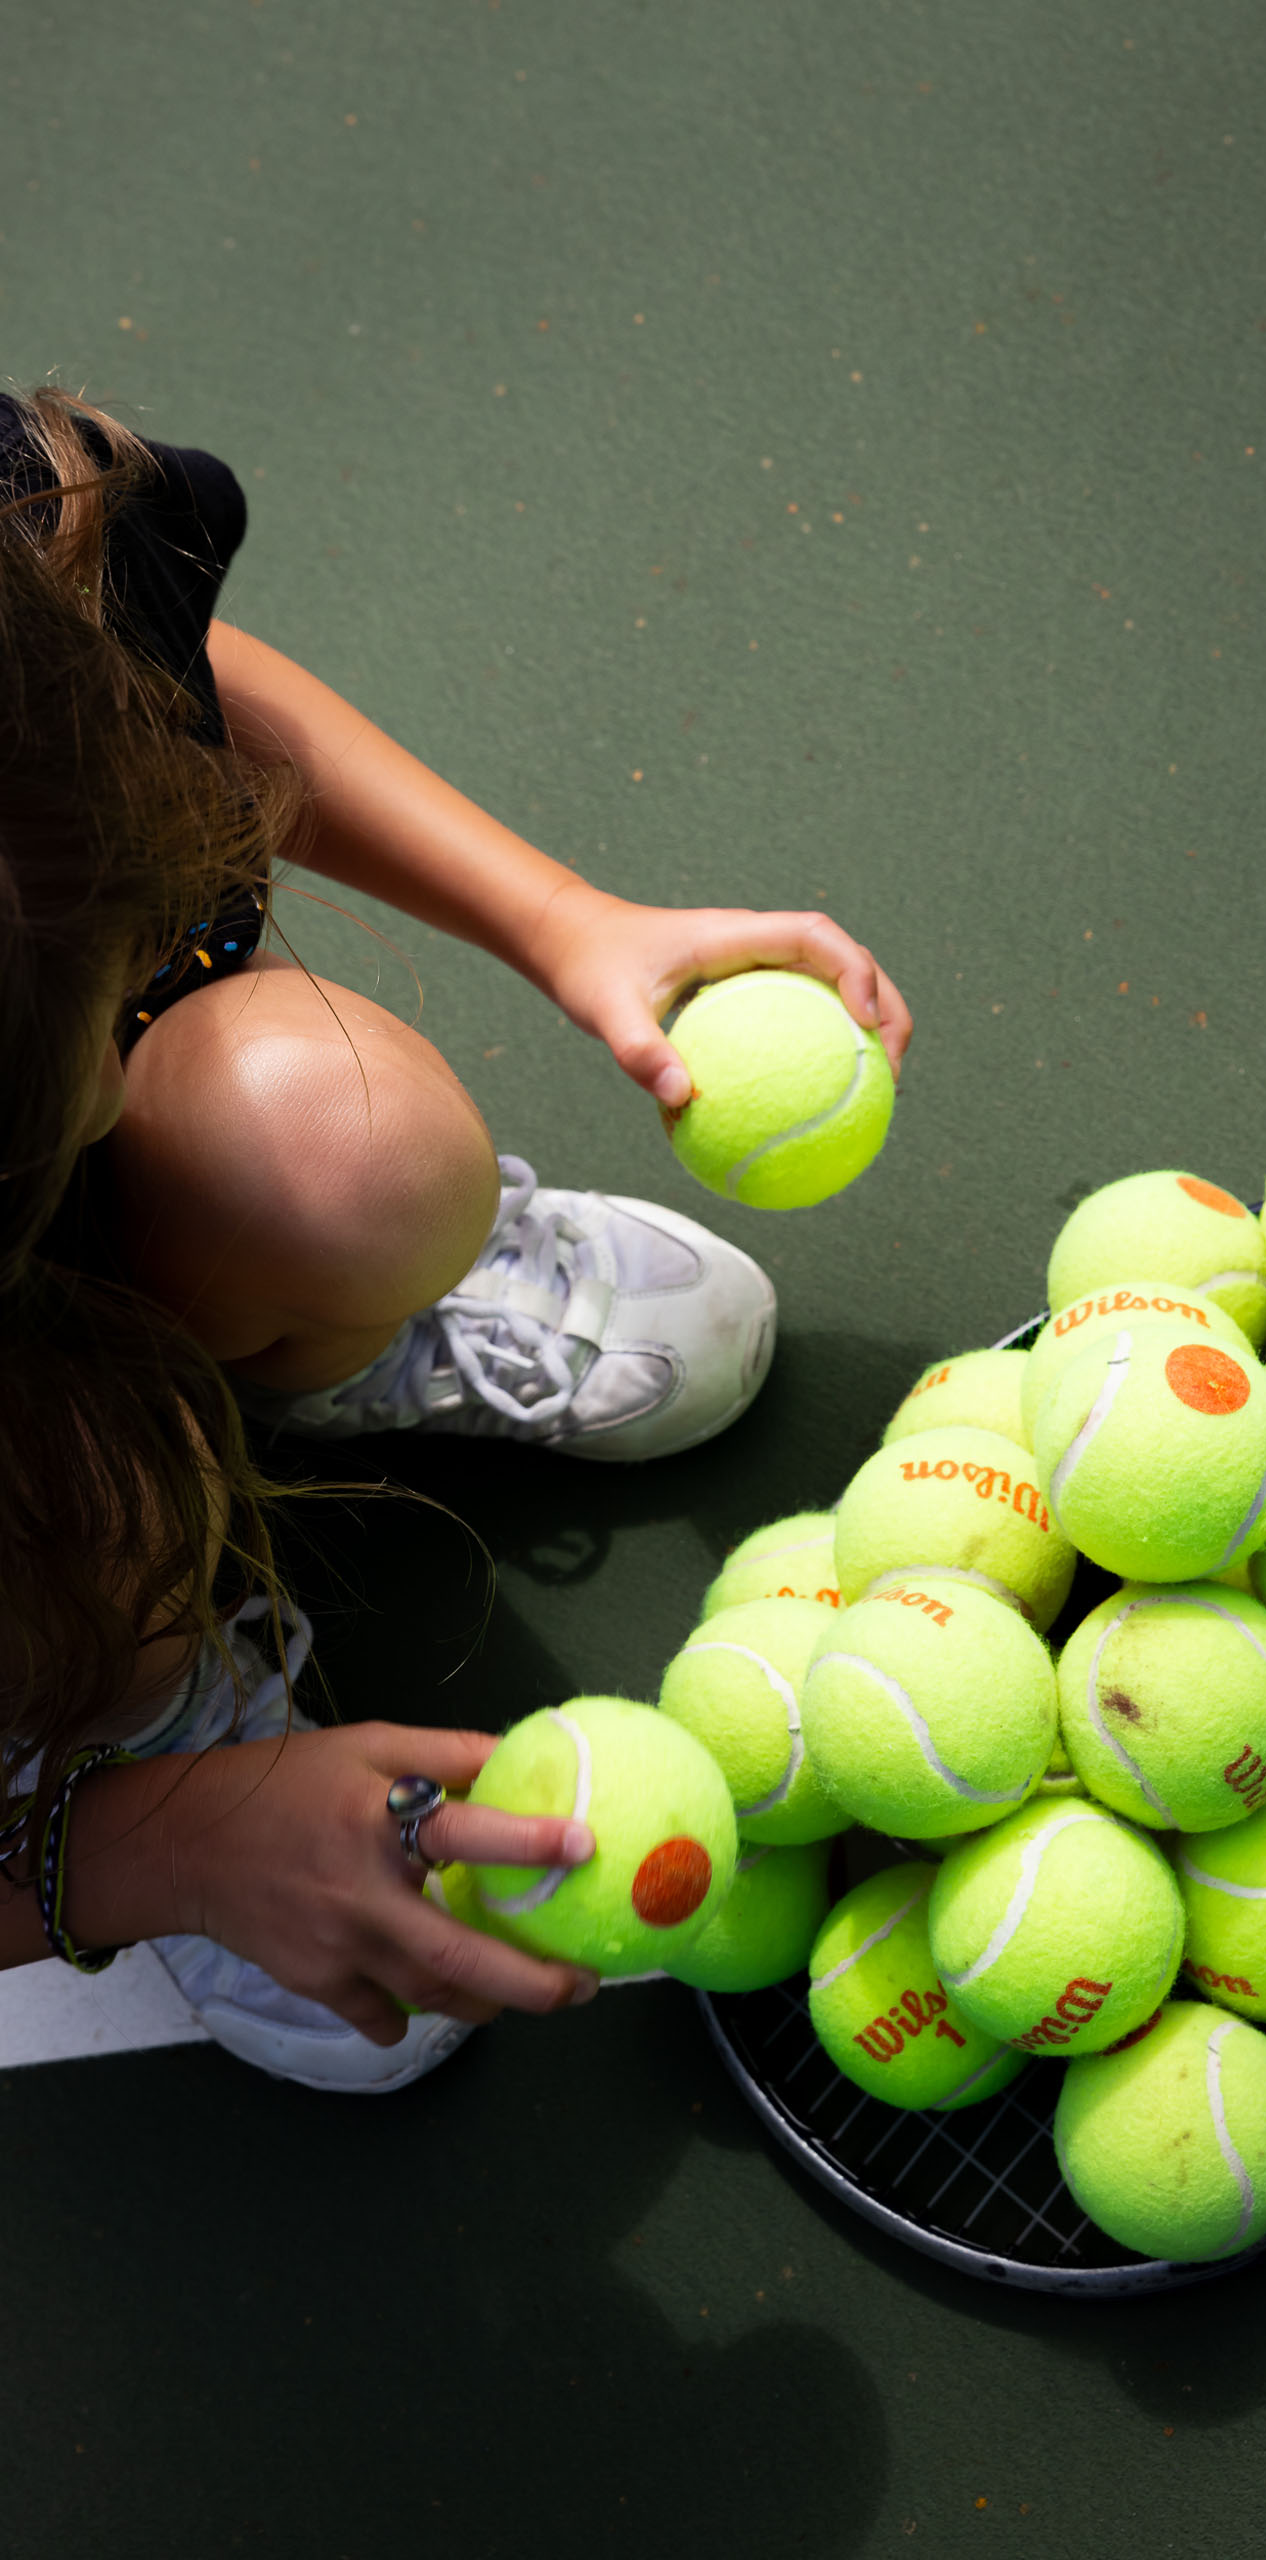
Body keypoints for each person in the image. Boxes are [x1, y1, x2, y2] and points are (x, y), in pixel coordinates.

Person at [0, 383, 911, 2092]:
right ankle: (112, 1710)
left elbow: (159, 707)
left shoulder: (19, 555)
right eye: (73, 1092)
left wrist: (564, 919)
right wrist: (134, 1847)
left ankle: (284, 1345)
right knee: (74, 1515)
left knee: (344, 1161)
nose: (118, 1111)